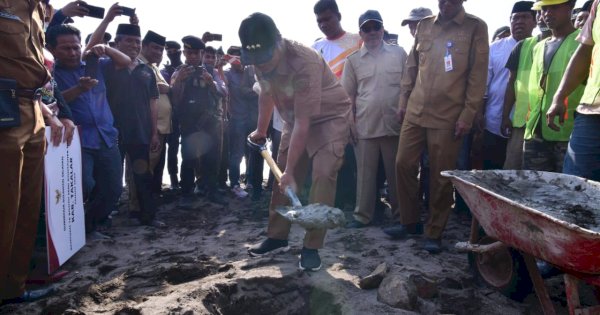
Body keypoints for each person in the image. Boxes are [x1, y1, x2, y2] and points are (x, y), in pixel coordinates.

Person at [242, 12, 352, 271]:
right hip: (295, 118)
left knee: (323, 175)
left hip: (330, 117)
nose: (263, 66)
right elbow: (266, 93)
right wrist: (261, 129)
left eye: (266, 59)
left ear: (279, 42)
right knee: (282, 174)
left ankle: (312, 246)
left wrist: (292, 172)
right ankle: (277, 237)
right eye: (257, 61)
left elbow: (306, 122)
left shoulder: (305, 62)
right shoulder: (258, 59)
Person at [392, 0, 489, 254]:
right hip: (415, 110)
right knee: (403, 163)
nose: (445, 3)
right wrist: (403, 99)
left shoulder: (475, 28)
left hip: (448, 115)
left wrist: (468, 114)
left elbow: (478, 76)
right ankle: (409, 222)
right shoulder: (424, 26)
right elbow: (411, 66)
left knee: (440, 175)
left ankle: (434, 231)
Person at [0, 0, 60, 305]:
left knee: (27, 206)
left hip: (33, 108)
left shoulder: (38, 9)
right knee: (4, 207)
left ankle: (13, 288)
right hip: (3, 106)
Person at [47, 24, 130, 240]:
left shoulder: (95, 65)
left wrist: (106, 48)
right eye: (66, 48)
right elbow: (50, 103)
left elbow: (126, 62)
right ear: (51, 49)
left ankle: (89, 227)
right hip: (76, 141)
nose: (73, 53)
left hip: (107, 136)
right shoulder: (49, 74)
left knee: (113, 189)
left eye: (76, 47)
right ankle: (72, 233)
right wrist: (79, 89)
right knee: (83, 187)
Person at [88, 5, 163, 227]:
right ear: (116, 44)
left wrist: (154, 133)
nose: (134, 46)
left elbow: (153, 102)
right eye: (128, 42)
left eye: (137, 42)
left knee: (143, 176)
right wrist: (107, 20)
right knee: (108, 178)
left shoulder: (146, 70)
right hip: (111, 132)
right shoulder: (106, 65)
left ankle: (148, 217)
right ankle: (101, 219)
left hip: (139, 132)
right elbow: (90, 48)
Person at [341, 10, 407, 228]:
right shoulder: (352, 61)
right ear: (360, 32)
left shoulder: (399, 54)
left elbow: (408, 88)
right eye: (366, 28)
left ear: (382, 29)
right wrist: (350, 124)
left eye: (375, 27)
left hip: (394, 124)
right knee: (365, 176)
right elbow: (348, 97)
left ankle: (401, 216)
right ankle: (362, 216)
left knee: (397, 175)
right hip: (365, 126)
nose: (372, 32)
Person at [522, 0, 583, 173]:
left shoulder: (583, 44)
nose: (547, 13)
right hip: (535, 130)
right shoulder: (538, 47)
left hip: (568, 131)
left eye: (554, 8)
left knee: (568, 190)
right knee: (533, 189)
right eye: (544, 9)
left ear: (570, 7)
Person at [311, 0, 361, 211]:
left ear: (338, 16)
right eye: (319, 20)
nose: (323, 24)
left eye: (328, 18)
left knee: (354, 161)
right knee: (333, 162)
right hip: (327, 116)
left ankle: (358, 203)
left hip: (355, 111)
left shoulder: (357, 41)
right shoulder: (315, 48)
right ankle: (337, 203)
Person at [171, 37, 227, 206]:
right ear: (185, 53)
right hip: (189, 121)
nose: (192, 56)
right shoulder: (179, 71)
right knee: (188, 159)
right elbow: (174, 98)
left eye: (196, 53)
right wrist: (179, 80)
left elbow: (223, 91)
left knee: (213, 157)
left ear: (202, 53)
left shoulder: (211, 71)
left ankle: (212, 190)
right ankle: (186, 193)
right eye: (189, 52)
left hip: (210, 121)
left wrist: (211, 83)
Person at [546, 0, 600, 180]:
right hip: (590, 114)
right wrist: (559, 96)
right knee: (574, 186)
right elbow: (586, 50)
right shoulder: (597, 5)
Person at [481, 1, 536, 170]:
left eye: (525, 17)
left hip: (527, 125)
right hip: (494, 122)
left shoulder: (541, 47)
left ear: (535, 21)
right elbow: (483, 87)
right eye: (515, 18)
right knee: (491, 171)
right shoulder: (495, 48)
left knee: (517, 176)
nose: (519, 22)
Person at [502, 9, 553, 169]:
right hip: (523, 125)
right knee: (512, 175)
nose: (542, 16)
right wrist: (504, 117)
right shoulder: (523, 46)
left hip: (558, 125)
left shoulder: (574, 42)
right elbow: (511, 83)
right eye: (538, 13)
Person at [224, 49, 263, 200]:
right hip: (237, 118)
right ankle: (234, 184)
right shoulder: (227, 74)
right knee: (236, 153)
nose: (236, 60)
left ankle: (250, 182)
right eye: (232, 57)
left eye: (238, 57)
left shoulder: (252, 70)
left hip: (253, 118)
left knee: (252, 153)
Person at [140, 31, 172, 196]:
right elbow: (153, 88)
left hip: (162, 128)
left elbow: (165, 88)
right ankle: (138, 208)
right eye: (154, 48)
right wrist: (166, 88)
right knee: (143, 171)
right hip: (150, 128)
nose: (158, 52)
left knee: (155, 170)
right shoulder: (138, 64)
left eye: (161, 50)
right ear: (143, 46)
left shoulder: (153, 67)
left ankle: (150, 204)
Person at [162, 40, 183, 190]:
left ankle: (190, 180)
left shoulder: (187, 68)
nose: (172, 53)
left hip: (188, 114)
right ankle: (174, 180)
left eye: (174, 51)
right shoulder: (164, 70)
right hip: (171, 115)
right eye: (168, 51)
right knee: (173, 149)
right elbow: (167, 89)